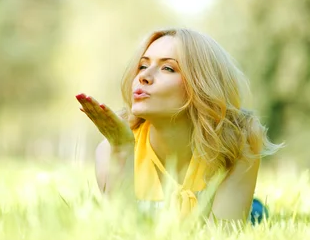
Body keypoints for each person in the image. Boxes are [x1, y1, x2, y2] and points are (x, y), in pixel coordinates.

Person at [76, 28, 283, 223]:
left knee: (256, 214)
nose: (144, 77)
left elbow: (221, 239)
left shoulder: (238, 143)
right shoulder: (109, 150)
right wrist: (122, 149)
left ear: (201, 85)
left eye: (168, 68)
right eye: (143, 66)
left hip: (246, 212)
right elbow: (124, 234)